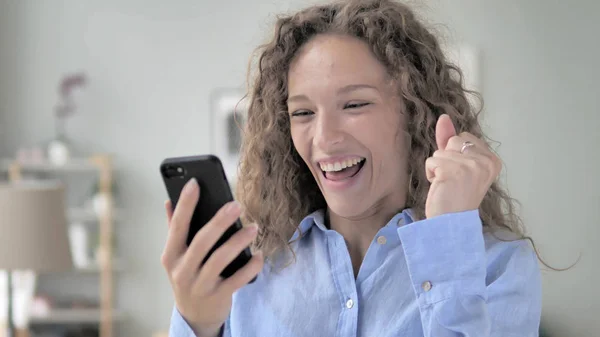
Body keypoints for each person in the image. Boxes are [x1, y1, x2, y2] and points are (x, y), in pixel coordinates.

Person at [161, 0, 542, 336]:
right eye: (303, 113)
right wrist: (197, 324)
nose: (324, 139)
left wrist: (447, 236)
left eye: (355, 105)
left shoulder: (498, 265)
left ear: (415, 112)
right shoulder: (252, 273)